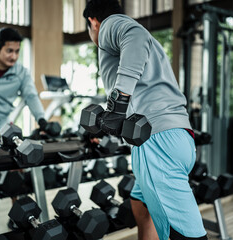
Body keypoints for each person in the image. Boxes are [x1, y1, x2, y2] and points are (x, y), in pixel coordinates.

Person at [83, 1, 207, 239]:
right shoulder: (148, 47)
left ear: (93, 22)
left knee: (184, 234)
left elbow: (135, 36)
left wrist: (118, 103)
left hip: (157, 142)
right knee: (139, 199)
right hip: (177, 137)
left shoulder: (110, 25)